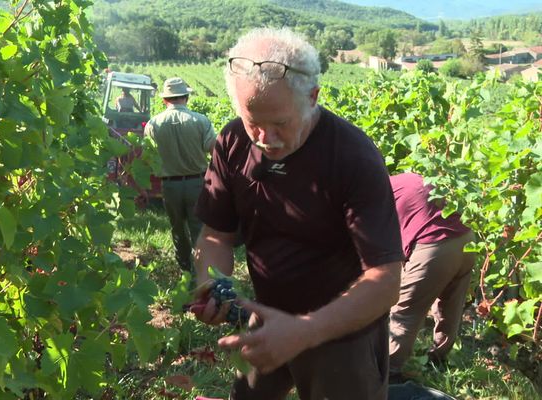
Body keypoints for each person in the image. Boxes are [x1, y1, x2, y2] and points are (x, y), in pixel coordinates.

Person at [192, 28, 404, 400]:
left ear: (312, 97)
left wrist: (305, 330)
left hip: (342, 335)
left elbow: (385, 281)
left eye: (280, 124)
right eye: (252, 121)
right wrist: (214, 285)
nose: (264, 138)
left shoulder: (353, 158)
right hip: (266, 320)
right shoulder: (231, 143)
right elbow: (216, 236)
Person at [388, 172, 475, 381]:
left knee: (404, 312)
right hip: (467, 240)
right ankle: (438, 359)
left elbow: (384, 246)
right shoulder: (410, 178)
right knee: (451, 306)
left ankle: (391, 374)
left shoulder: (377, 193)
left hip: (434, 247)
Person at [144, 77, 216, 272]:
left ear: (165, 100)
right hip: (196, 183)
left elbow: (149, 157)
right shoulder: (201, 121)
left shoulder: (153, 124)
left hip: (169, 185)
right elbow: (214, 151)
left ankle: (184, 264)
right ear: (186, 97)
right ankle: (200, 269)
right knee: (198, 229)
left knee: (177, 228)